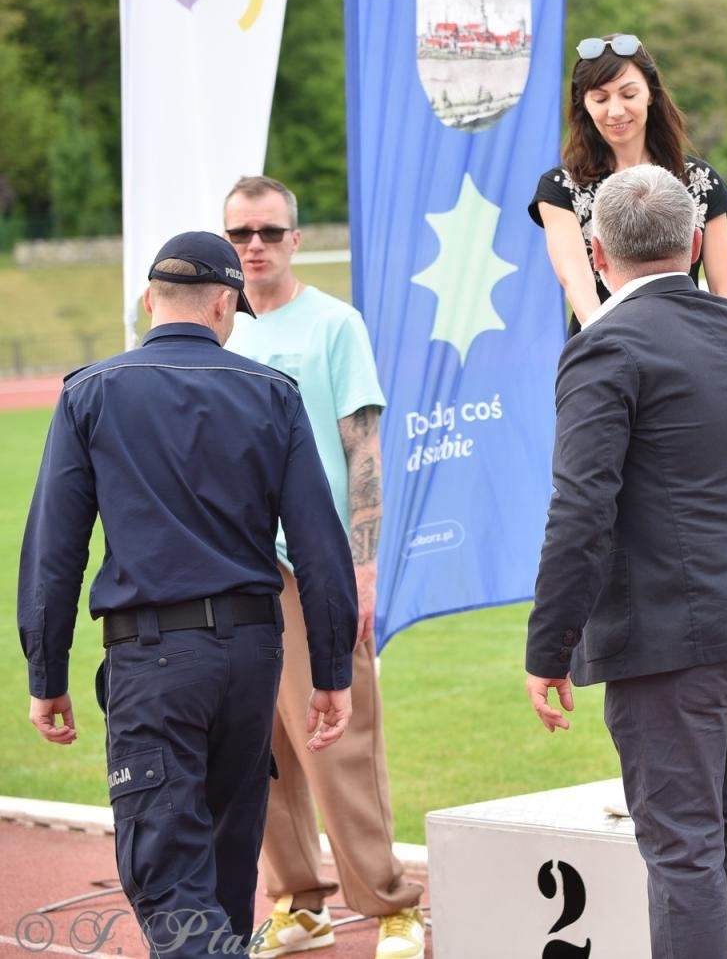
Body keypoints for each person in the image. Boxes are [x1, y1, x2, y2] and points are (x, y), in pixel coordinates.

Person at [19, 231, 357, 958]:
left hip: (154, 661)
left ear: (150, 301)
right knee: (225, 874)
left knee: (169, 878)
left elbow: (55, 552)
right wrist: (332, 674)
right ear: (225, 305)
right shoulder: (273, 394)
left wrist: (47, 676)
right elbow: (320, 547)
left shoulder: (91, 393)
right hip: (251, 658)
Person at [524, 165, 727, 958]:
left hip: (672, 635)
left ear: (596, 251)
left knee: (683, 847)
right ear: (691, 243)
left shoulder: (603, 346)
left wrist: (547, 647)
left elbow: (579, 509)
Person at [221, 177, 427, 959]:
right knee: (254, 747)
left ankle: (391, 904)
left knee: (339, 742)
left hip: (315, 566)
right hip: (232, 570)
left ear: (296, 238)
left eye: (269, 232)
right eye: (241, 233)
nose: (255, 246)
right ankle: (298, 900)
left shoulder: (335, 325)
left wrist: (362, 572)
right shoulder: (215, 330)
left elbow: (363, 453)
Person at [530, 32, 727, 333]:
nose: (615, 111)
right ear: (584, 105)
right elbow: (576, 282)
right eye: (600, 98)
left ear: (651, 94)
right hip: (602, 352)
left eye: (628, 95)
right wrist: (610, 344)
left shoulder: (700, 181)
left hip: (686, 349)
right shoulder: (561, 188)